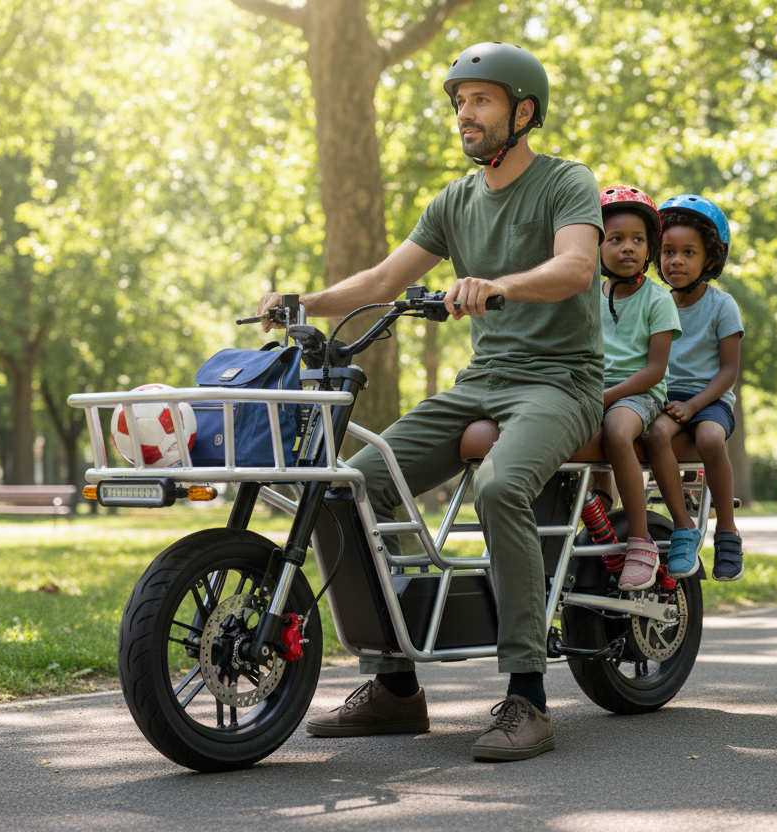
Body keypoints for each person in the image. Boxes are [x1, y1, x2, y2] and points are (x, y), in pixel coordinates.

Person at [255, 42, 604, 762]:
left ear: (523, 110)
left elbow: (575, 267)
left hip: (560, 381)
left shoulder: (567, 182)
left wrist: (501, 284)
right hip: (483, 382)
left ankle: (528, 696)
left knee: (502, 486)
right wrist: (304, 302)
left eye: (479, 100)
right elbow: (385, 275)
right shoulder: (455, 199)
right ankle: (396, 685)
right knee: (355, 485)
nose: (464, 114)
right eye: (458, 102)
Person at [642, 195, 745, 581]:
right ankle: (684, 527)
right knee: (654, 436)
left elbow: (728, 372)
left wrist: (696, 404)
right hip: (666, 398)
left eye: (688, 252)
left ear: (710, 260)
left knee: (710, 438)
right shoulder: (655, 303)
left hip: (711, 398)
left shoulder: (722, 306)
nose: (676, 261)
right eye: (668, 251)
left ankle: (727, 530)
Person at [593, 186, 682, 591]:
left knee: (615, 430)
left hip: (639, 394)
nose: (627, 248)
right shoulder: (587, 295)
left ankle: (640, 541)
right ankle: (595, 515)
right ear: (595, 245)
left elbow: (654, 370)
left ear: (650, 250)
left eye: (638, 240)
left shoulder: (657, 299)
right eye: (615, 239)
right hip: (592, 389)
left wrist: (606, 397)